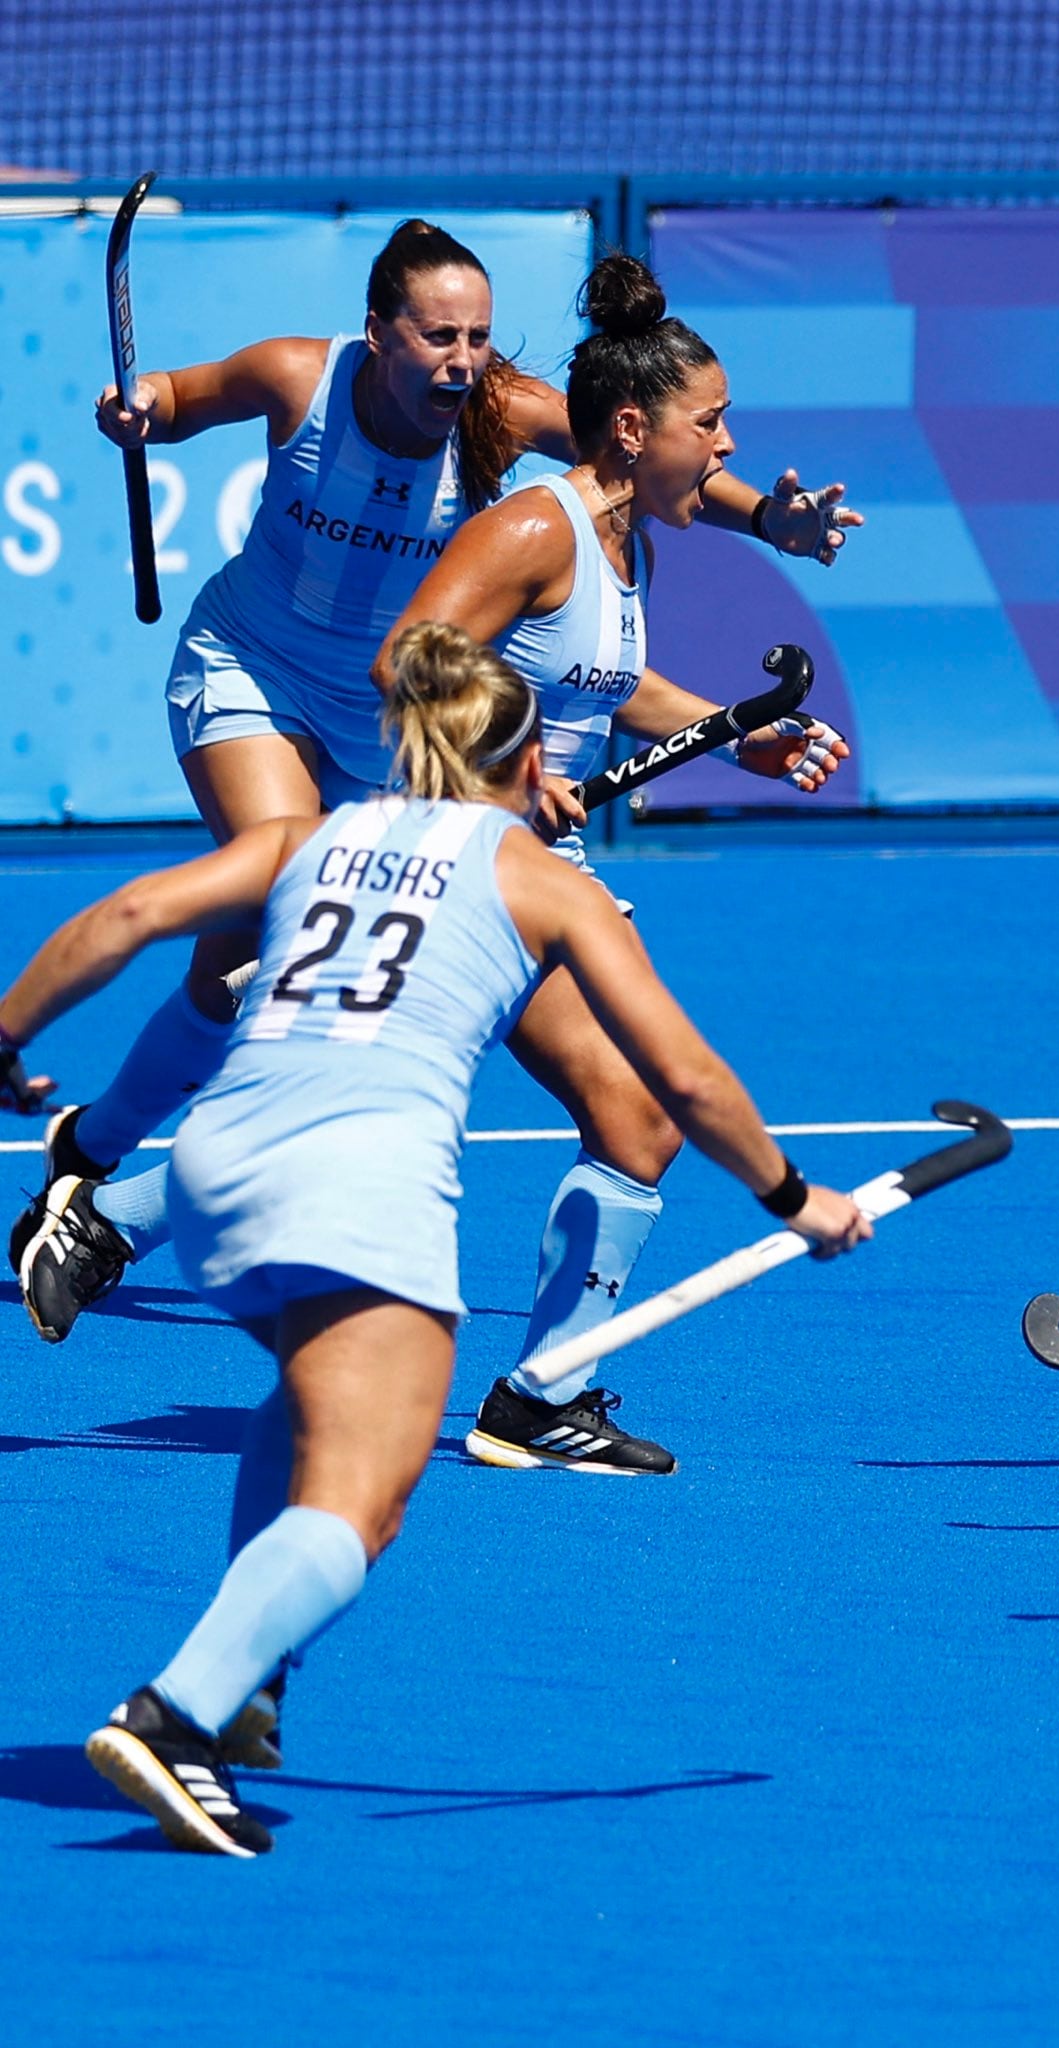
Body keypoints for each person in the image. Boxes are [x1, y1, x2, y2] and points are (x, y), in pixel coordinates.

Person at [0, 621, 869, 1857]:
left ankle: (247, 1681)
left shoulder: (312, 833)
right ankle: (176, 1711)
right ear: (530, 767)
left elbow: (133, 911)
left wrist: (4, 1036)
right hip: (361, 1189)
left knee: (308, 1404)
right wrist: (798, 1199)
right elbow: (680, 1076)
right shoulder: (544, 880)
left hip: (210, 1174)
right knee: (364, 1501)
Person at [15, 220, 858, 1341]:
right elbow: (178, 399)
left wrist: (769, 531)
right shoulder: (319, 389)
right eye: (439, 335)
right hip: (264, 667)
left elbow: (655, 461)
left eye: (481, 338)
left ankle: (95, 1167)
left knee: (254, 980)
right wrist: (144, 413)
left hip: (404, 730)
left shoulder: (525, 437)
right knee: (275, 928)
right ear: (379, 332)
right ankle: (110, 1184)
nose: (464, 361)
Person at [373, 253, 847, 1474]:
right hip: (468, 855)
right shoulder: (536, 523)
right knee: (625, 1110)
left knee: (623, 1117)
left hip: (530, 859)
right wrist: (520, 768)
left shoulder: (628, 545)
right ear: (634, 429)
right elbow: (407, 661)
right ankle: (538, 1397)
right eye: (712, 424)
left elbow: (608, 684)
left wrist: (738, 738)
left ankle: (542, 1395)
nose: (729, 448)